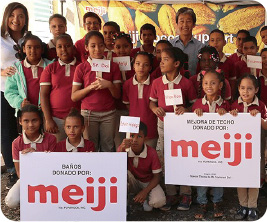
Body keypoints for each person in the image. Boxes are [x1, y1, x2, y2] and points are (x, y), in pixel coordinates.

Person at [149, 47, 197, 211]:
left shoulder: (186, 83)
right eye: (161, 58)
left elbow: (194, 104)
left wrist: (186, 110)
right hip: (163, 125)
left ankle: (186, 193)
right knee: (166, 158)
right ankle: (171, 192)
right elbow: (152, 103)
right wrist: (155, 109)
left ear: (176, 63)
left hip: (183, 126)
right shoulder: (156, 82)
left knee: (183, 157)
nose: (161, 62)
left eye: (165, 59)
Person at [72, 31, 122, 152]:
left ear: (104, 46)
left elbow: (117, 95)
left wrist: (109, 84)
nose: (97, 49)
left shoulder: (113, 66)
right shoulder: (81, 68)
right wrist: (89, 87)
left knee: (108, 145)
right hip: (89, 113)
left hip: (109, 114)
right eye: (93, 46)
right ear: (86, 47)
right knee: (90, 146)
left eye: (100, 45)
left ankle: (107, 171)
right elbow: (74, 96)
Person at [192, 70, 230, 219]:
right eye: (206, 83)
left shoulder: (226, 104)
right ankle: (202, 202)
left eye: (213, 83)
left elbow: (234, 119)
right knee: (202, 175)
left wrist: (227, 112)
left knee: (218, 175)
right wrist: (196, 112)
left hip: (220, 148)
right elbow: (189, 123)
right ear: (202, 84)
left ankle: (217, 201)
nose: (209, 86)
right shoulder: (197, 104)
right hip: (201, 148)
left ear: (220, 85)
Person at [5, 104, 57, 208]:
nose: (30, 124)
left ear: (41, 120)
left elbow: (53, 167)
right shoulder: (16, 143)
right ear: (20, 121)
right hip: (27, 179)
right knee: (11, 201)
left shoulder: (51, 139)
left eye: (34, 120)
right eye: (26, 121)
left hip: (47, 178)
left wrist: (37, 155)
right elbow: (19, 172)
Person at [230, 74, 266, 221]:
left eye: (249, 88)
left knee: (253, 178)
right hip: (239, 150)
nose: (246, 92)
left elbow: (266, 125)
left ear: (256, 89)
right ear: (238, 89)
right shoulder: (234, 105)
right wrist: (231, 115)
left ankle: (252, 206)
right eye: (243, 88)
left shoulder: (261, 105)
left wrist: (259, 118)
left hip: (255, 150)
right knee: (240, 178)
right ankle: (242, 205)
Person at [1, 2, 29, 189]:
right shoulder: (1, 39)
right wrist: (1, 71)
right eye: (12, 15)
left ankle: (28, 166)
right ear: (6, 17)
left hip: (26, 91)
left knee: (27, 129)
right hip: (4, 90)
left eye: (20, 16)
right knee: (7, 130)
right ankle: (12, 169)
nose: (16, 20)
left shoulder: (29, 39)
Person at [40, 33, 80, 142]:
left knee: (78, 153)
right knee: (56, 153)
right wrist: (48, 119)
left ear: (73, 48)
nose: (64, 49)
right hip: (55, 119)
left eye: (67, 46)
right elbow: (43, 94)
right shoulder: (50, 68)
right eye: (59, 47)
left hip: (78, 120)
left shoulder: (82, 67)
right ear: (56, 51)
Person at [117, 122, 166, 211]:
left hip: (148, 182)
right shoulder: (124, 149)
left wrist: (145, 191)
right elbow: (116, 169)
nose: (135, 140)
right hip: (133, 181)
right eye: (132, 136)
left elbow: (157, 176)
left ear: (145, 139)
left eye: (139, 136)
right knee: (124, 173)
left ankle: (145, 198)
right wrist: (122, 150)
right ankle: (123, 203)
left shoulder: (151, 153)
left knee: (159, 202)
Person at [5, 33, 51, 114]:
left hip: (47, 112)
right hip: (25, 113)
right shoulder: (16, 69)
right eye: (29, 47)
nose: (33, 50)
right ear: (24, 49)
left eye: (37, 47)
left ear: (42, 49)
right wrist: (20, 103)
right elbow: (10, 92)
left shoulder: (50, 67)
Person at [123, 51, 158, 148]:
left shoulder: (155, 83)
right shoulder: (127, 84)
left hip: (150, 129)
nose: (141, 67)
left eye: (145, 65)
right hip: (132, 128)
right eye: (138, 64)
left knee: (149, 156)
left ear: (150, 68)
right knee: (131, 157)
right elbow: (128, 105)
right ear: (133, 65)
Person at [113, 32, 134, 148]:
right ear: (113, 48)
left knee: (132, 141)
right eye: (118, 47)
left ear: (131, 46)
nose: (122, 50)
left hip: (132, 109)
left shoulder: (137, 64)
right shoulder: (110, 65)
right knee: (119, 142)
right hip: (115, 109)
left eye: (125, 46)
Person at [169, 7, 204, 76]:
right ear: (177, 24)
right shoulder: (170, 45)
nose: (185, 25)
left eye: (188, 21)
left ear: (194, 24)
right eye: (181, 21)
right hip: (173, 85)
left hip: (193, 84)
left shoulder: (201, 47)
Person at [209, 29, 236, 93]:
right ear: (209, 43)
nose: (215, 42)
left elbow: (233, 84)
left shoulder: (230, 62)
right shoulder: (204, 62)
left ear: (224, 42)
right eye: (212, 40)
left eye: (218, 40)